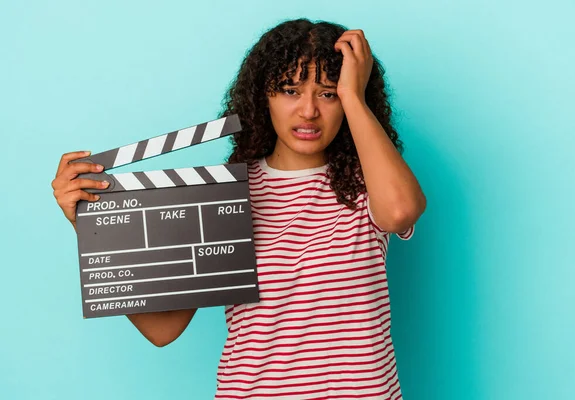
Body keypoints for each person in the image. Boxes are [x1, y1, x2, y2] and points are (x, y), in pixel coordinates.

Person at [51, 18, 426, 400]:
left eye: (327, 94)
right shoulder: (226, 195)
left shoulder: (367, 183)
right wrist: (90, 226)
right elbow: (162, 330)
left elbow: (400, 212)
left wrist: (353, 95)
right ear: (263, 97)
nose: (309, 110)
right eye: (289, 90)